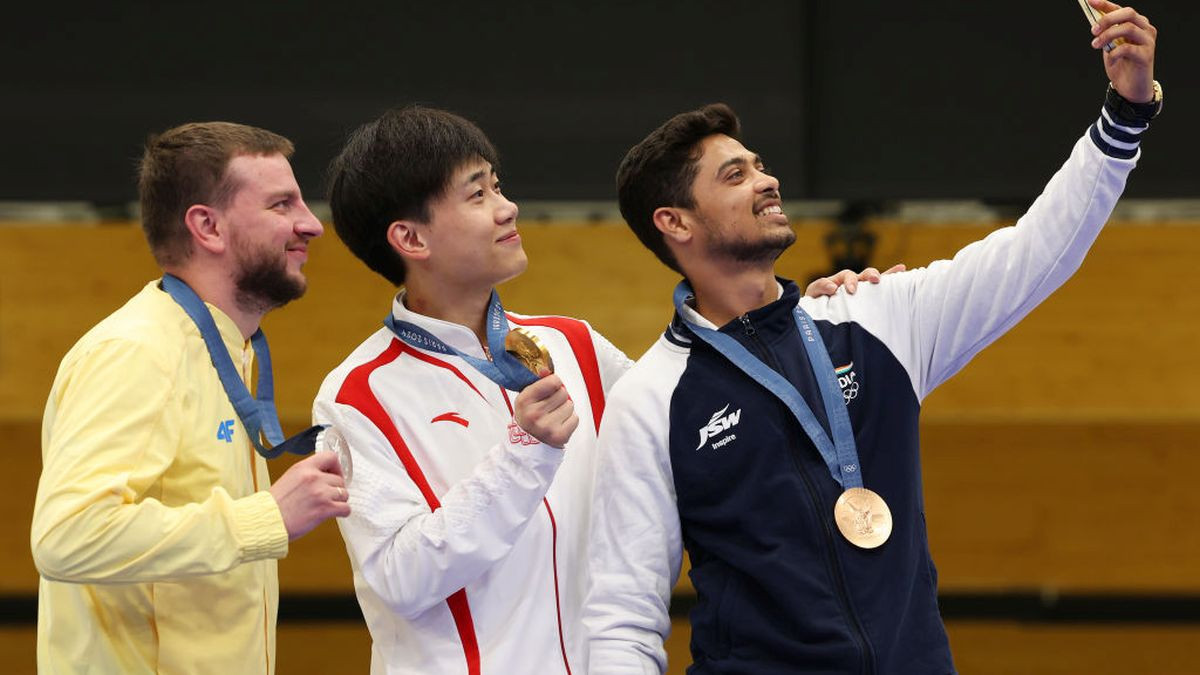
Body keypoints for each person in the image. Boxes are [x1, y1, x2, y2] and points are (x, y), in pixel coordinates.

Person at [583, 2, 1160, 673]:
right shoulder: (651, 399)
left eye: (759, 164)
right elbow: (623, 614)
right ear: (674, 223)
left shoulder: (873, 318)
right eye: (734, 176)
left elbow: (1033, 255)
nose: (768, 181)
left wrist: (1123, 117)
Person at [313, 106, 880, 674]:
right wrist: (522, 453)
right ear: (411, 238)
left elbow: (705, 418)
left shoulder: (574, 343)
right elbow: (399, 579)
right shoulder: (356, 395)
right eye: (477, 195)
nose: (508, 208)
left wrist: (792, 317)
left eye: (498, 185)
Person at [31, 122, 351, 674]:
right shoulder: (139, 351)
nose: (310, 224)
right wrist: (266, 516)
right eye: (282, 205)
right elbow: (67, 536)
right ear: (207, 226)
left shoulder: (221, 346)